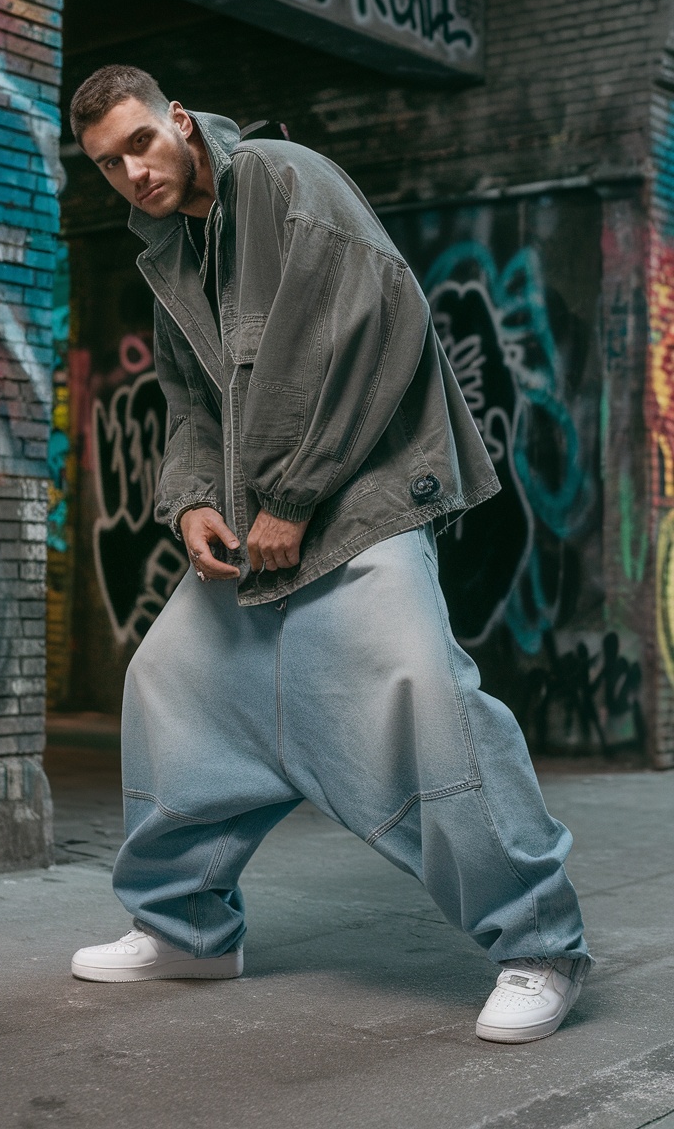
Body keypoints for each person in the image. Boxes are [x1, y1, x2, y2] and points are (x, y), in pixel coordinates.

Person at [67, 64, 591, 1043]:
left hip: (356, 508)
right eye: (108, 163)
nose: (132, 170)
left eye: (140, 141)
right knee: (171, 682)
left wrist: (297, 495)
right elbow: (185, 400)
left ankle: (538, 946)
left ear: (178, 120)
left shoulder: (280, 178)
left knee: (421, 695)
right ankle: (188, 930)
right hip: (251, 529)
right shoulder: (174, 254)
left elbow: (381, 324)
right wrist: (187, 505)